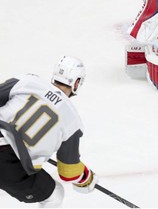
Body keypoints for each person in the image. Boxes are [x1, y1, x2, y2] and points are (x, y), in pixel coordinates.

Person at [0, 55, 98, 207]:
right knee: (55, 194)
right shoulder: (72, 121)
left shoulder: (27, 81)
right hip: (10, 167)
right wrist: (85, 178)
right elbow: (68, 172)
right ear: (77, 83)